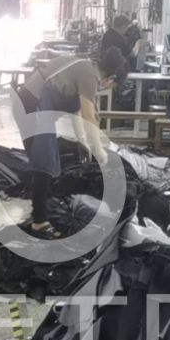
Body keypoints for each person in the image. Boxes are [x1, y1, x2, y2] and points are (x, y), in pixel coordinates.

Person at [17, 47, 130, 236]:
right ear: (111, 78)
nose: (110, 88)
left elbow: (76, 111)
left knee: (44, 161)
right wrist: (99, 152)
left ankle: (42, 211)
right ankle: (39, 222)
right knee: (44, 163)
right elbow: (88, 116)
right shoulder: (90, 75)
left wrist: (83, 142)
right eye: (113, 85)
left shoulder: (87, 66)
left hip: (31, 103)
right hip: (31, 105)